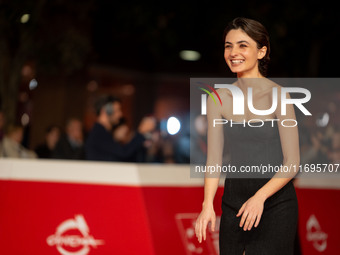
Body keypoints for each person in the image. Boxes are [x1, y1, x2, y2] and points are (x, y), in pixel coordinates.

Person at [195, 17, 300, 255]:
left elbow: (292, 162)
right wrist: (207, 205)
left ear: (261, 52)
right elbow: (214, 160)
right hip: (233, 204)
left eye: (243, 45)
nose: (234, 52)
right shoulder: (217, 98)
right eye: (228, 45)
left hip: (275, 204)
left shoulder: (279, 96)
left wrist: (259, 197)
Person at [85, 95, 155, 161]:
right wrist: (141, 132)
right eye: (117, 110)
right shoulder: (99, 133)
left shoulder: (101, 132)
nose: (120, 114)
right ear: (106, 111)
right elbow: (123, 153)